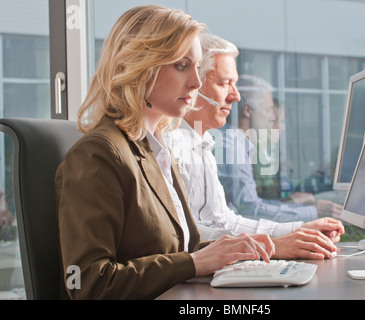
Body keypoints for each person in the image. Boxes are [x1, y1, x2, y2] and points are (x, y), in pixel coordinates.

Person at [55, 6, 275, 300]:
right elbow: (86, 282)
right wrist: (195, 263)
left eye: (196, 67)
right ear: (139, 66)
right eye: (182, 66)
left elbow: (172, 252)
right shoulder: (98, 155)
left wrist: (229, 252)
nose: (196, 82)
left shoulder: (156, 148)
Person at [165, 33, 344, 260]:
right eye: (224, 83)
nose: (236, 96)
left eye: (235, 84)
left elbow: (222, 220)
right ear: (194, 85)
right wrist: (276, 244)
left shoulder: (204, 144)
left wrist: (298, 229)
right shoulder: (173, 146)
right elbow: (187, 236)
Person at [218, 74, 343, 221]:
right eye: (268, 110)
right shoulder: (230, 147)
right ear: (247, 110)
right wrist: (314, 211)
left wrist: (299, 206)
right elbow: (250, 209)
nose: (272, 117)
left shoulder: (238, 144)